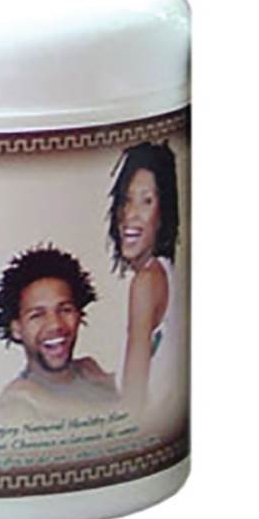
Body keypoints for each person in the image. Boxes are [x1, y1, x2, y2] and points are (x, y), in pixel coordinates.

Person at [0, 246, 116, 429]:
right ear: (16, 329)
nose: (55, 325)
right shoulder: (15, 411)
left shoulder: (96, 377)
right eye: (37, 315)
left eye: (65, 310)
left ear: (79, 314)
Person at [108, 140, 183, 418]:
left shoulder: (146, 282)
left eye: (146, 201)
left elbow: (133, 403)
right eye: (126, 200)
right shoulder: (165, 272)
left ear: (164, 213)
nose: (130, 214)